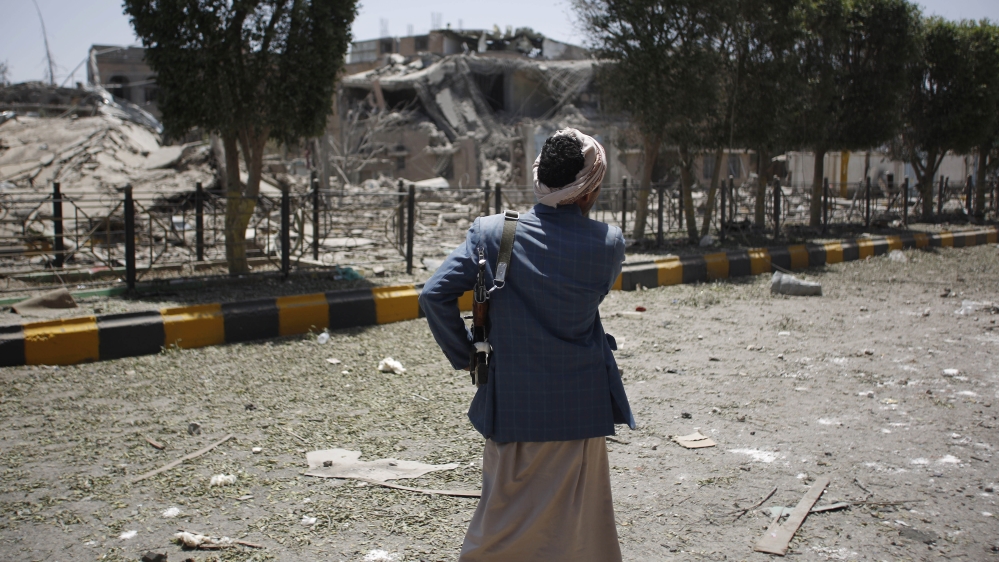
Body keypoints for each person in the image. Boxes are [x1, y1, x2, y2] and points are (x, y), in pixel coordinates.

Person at [419, 128, 635, 562]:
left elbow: (433, 294)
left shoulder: (495, 234)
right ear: (590, 189)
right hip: (579, 411)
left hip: (514, 408)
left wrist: (467, 355)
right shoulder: (608, 246)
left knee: (499, 528)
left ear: (540, 180)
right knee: (577, 532)